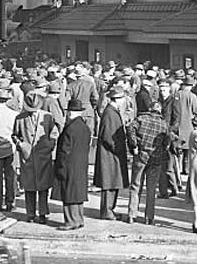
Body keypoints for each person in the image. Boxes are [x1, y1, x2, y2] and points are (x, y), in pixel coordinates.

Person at [127, 96, 172, 225]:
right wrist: (162, 149)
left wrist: (134, 145)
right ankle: (149, 217)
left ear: (150, 109)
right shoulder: (163, 124)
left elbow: (130, 129)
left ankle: (131, 214)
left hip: (140, 155)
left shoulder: (141, 119)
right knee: (151, 189)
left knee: (135, 186)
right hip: (155, 158)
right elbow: (167, 142)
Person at [15, 90, 57, 224]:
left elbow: (54, 132)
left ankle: (43, 213)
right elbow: (14, 135)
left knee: (43, 187)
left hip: (43, 157)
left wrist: (50, 145)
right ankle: (30, 214)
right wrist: (21, 145)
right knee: (29, 187)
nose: (33, 112)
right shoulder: (20, 118)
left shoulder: (48, 117)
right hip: (27, 158)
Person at [94, 84, 131, 220]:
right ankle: (107, 211)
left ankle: (110, 209)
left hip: (112, 154)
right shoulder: (110, 113)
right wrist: (119, 149)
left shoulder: (111, 111)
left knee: (113, 183)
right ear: (119, 99)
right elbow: (108, 137)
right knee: (109, 183)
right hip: (110, 155)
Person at [55, 98, 91, 231]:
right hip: (81, 164)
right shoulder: (85, 127)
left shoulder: (69, 128)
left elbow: (64, 150)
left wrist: (60, 165)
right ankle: (79, 219)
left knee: (68, 193)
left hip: (69, 165)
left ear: (70, 113)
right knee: (78, 193)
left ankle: (70, 221)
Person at [0, 87, 19, 213]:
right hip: (10, 147)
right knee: (10, 176)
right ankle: (10, 202)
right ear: (7, 100)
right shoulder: (14, 115)